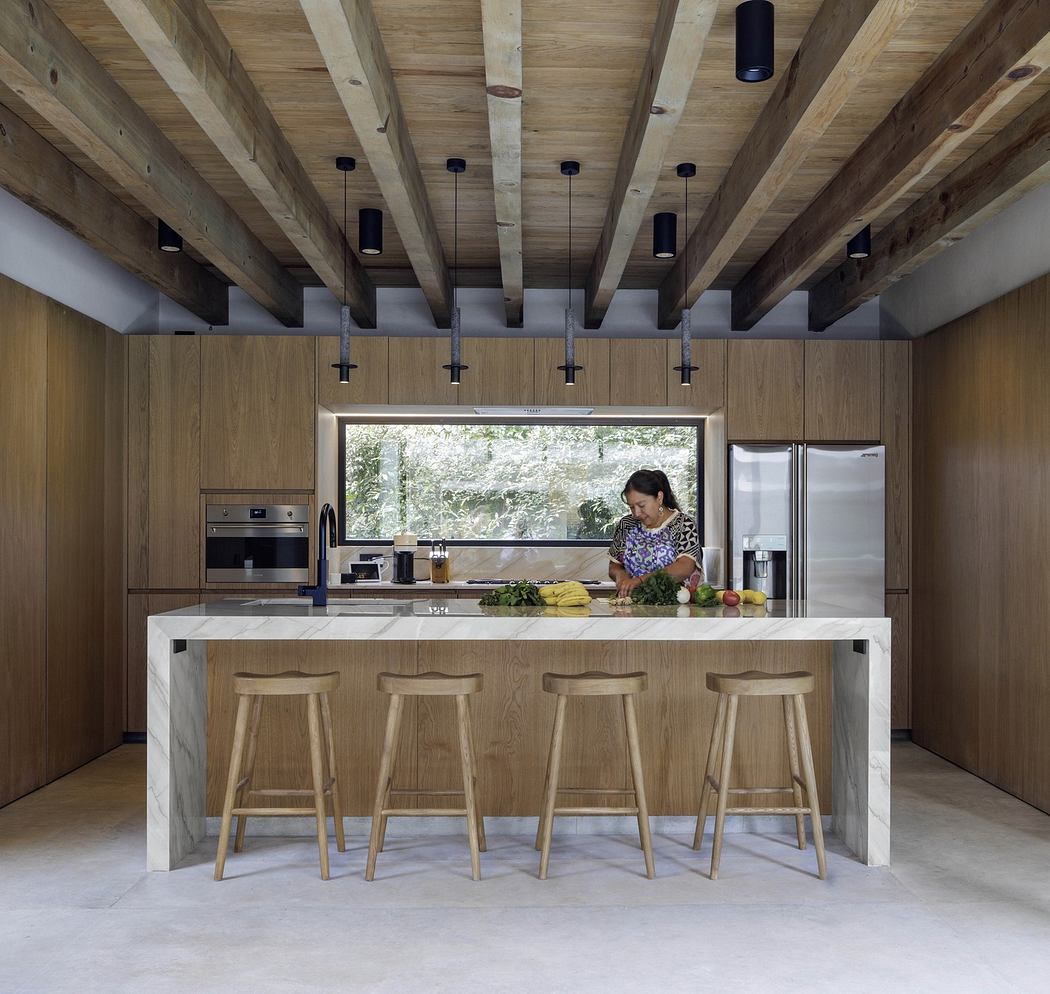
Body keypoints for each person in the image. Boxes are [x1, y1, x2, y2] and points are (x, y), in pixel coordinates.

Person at [608, 469, 702, 599]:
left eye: (641, 505)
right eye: (631, 507)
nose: (636, 513)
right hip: (631, 602)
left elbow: (684, 568)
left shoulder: (683, 524)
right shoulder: (627, 524)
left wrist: (640, 580)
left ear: (659, 497)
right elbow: (614, 565)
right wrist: (621, 577)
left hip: (674, 604)